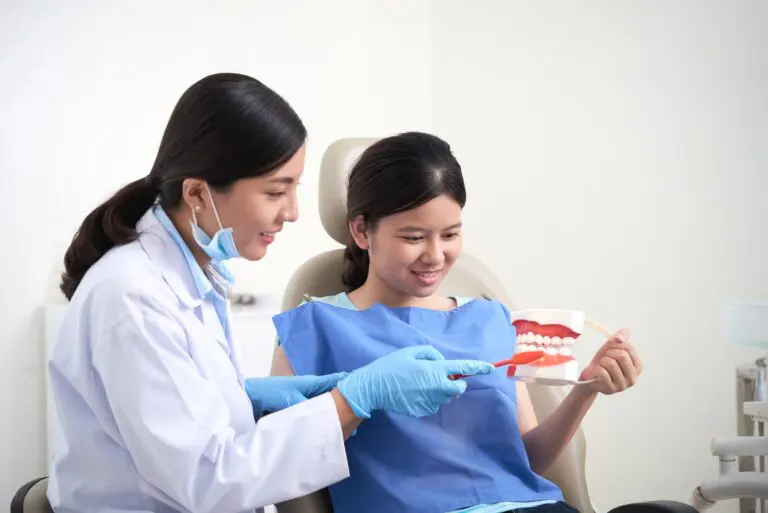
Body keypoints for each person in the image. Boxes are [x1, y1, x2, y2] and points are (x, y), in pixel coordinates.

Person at [47, 75, 494, 513]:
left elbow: (182, 407)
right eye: (276, 192)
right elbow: (210, 482)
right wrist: (353, 399)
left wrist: (246, 397)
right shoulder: (134, 298)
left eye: (294, 189)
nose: (293, 212)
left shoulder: (188, 274)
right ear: (199, 194)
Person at [271, 131, 644, 513]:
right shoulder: (312, 330)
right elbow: (281, 461)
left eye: (450, 234)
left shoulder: (489, 318)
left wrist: (586, 389)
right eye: (414, 237)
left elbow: (526, 461)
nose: (435, 255)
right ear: (362, 230)